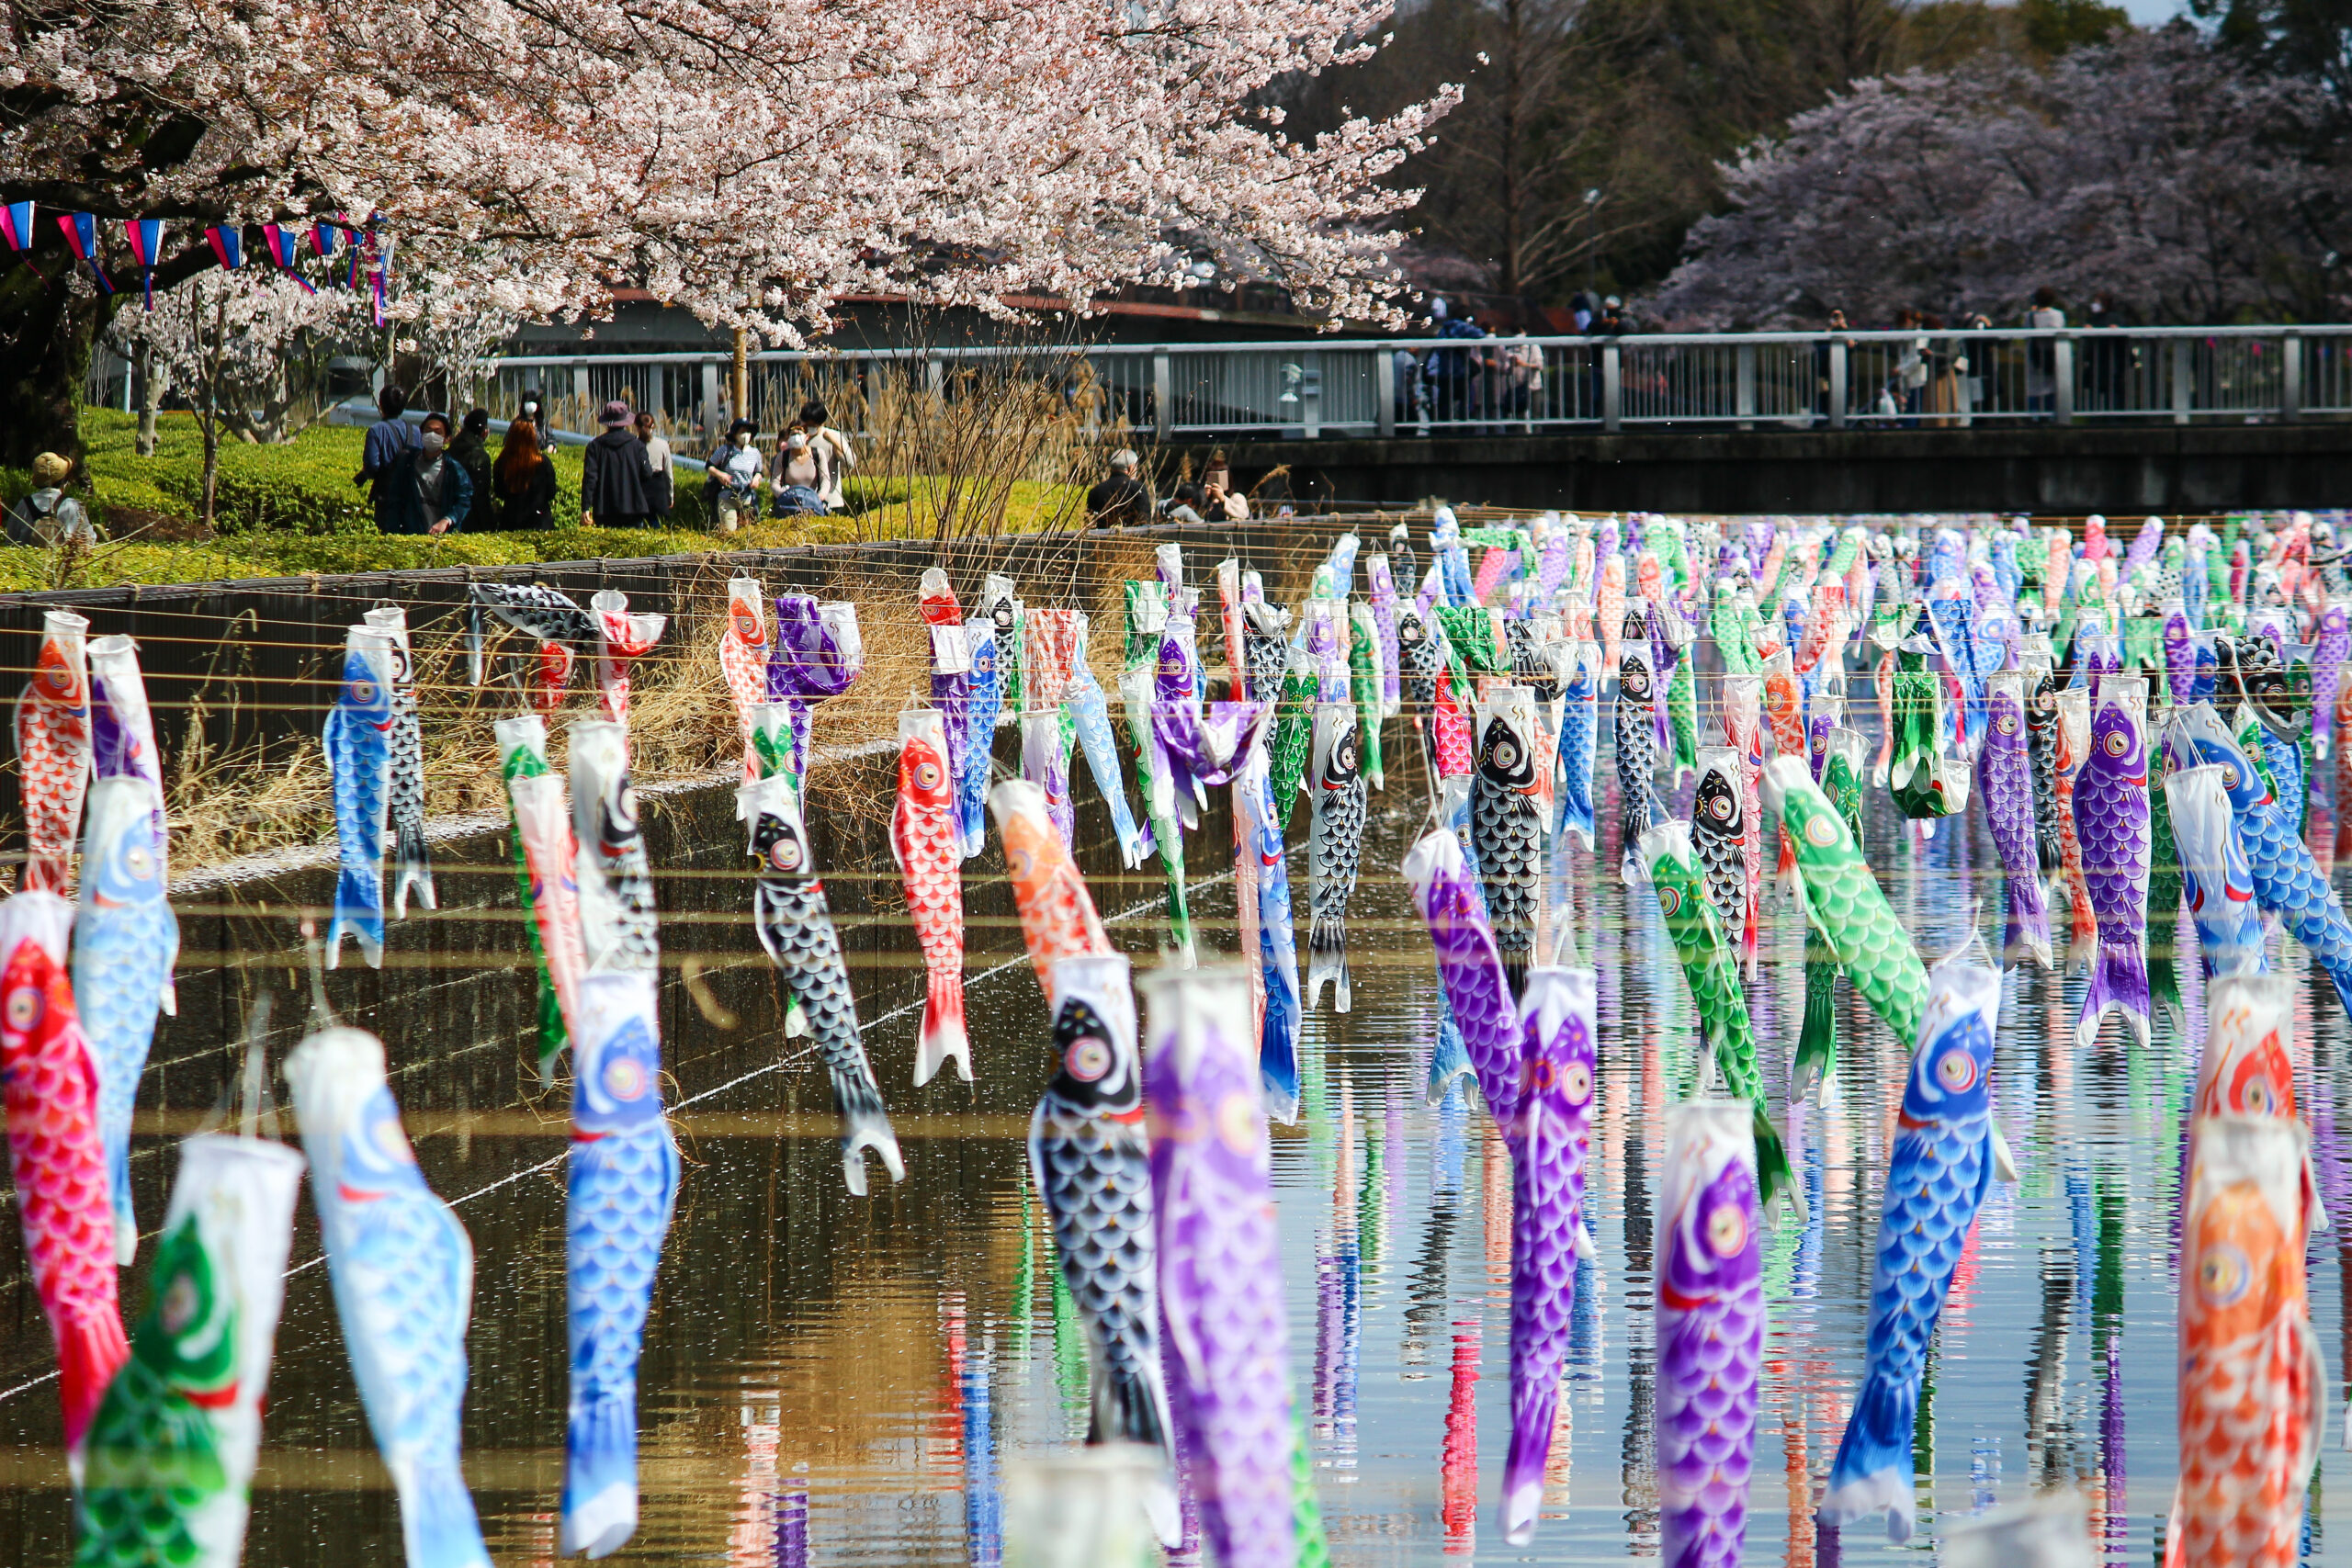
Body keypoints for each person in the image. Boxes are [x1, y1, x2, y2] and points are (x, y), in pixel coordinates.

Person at [379, 412, 471, 536]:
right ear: (422, 434)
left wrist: (447, 520)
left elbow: (464, 500)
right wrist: (393, 532)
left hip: (442, 537)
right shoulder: (407, 464)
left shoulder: (454, 469)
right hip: (412, 534)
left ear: (447, 439)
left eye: (438, 432)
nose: (432, 435)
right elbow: (395, 499)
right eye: (428, 431)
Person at [579, 400, 652, 527]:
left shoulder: (595, 446)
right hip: (633, 506)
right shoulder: (637, 445)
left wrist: (585, 507)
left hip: (604, 508)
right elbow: (647, 474)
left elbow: (590, 478)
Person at [355, 384, 417, 529]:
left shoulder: (376, 431)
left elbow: (372, 465)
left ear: (381, 404)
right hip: (411, 495)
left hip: (387, 496)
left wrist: (365, 475)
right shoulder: (415, 431)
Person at [7, 453, 96, 546]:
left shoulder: (24, 505)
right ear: (64, 480)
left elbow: (10, 540)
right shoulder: (71, 505)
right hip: (63, 559)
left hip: (27, 558)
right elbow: (88, 540)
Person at [492, 419, 559, 530]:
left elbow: (499, 492)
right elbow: (551, 492)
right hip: (539, 521)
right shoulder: (542, 462)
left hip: (511, 520)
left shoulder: (502, 462)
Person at [706, 418, 765, 534]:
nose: (745, 435)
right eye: (742, 432)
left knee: (749, 534)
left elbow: (759, 471)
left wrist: (756, 479)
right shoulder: (725, 450)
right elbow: (709, 466)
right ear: (735, 434)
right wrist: (720, 474)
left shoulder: (755, 453)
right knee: (729, 532)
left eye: (748, 432)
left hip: (747, 497)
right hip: (728, 496)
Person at [798, 400, 855, 511]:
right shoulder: (798, 438)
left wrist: (835, 442)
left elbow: (851, 463)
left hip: (831, 501)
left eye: (813, 425)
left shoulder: (832, 436)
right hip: (804, 502)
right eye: (807, 423)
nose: (809, 427)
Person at [447, 409, 497, 530]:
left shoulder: (453, 448)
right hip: (472, 518)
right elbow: (480, 494)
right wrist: (489, 523)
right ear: (483, 431)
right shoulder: (479, 456)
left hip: (450, 514)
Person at [1085, 449, 1151, 526]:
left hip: (1102, 537)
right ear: (1131, 467)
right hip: (1132, 536)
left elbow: (1090, 521)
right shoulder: (1138, 489)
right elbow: (1144, 520)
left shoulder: (1095, 491)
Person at [772, 430, 829, 515]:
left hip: (813, 505)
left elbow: (825, 479)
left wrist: (820, 496)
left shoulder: (818, 454)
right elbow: (774, 482)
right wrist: (783, 495)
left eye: (799, 434)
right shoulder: (782, 457)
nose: (796, 437)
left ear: (807, 436)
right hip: (789, 505)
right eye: (793, 434)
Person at [635, 412, 675, 525]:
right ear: (654, 426)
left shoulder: (633, 444)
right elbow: (668, 473)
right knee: (656, 524)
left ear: (636, 426)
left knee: (638, 525)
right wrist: (670, 495)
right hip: (658, 488)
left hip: (639, 487)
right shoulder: (663, 445)